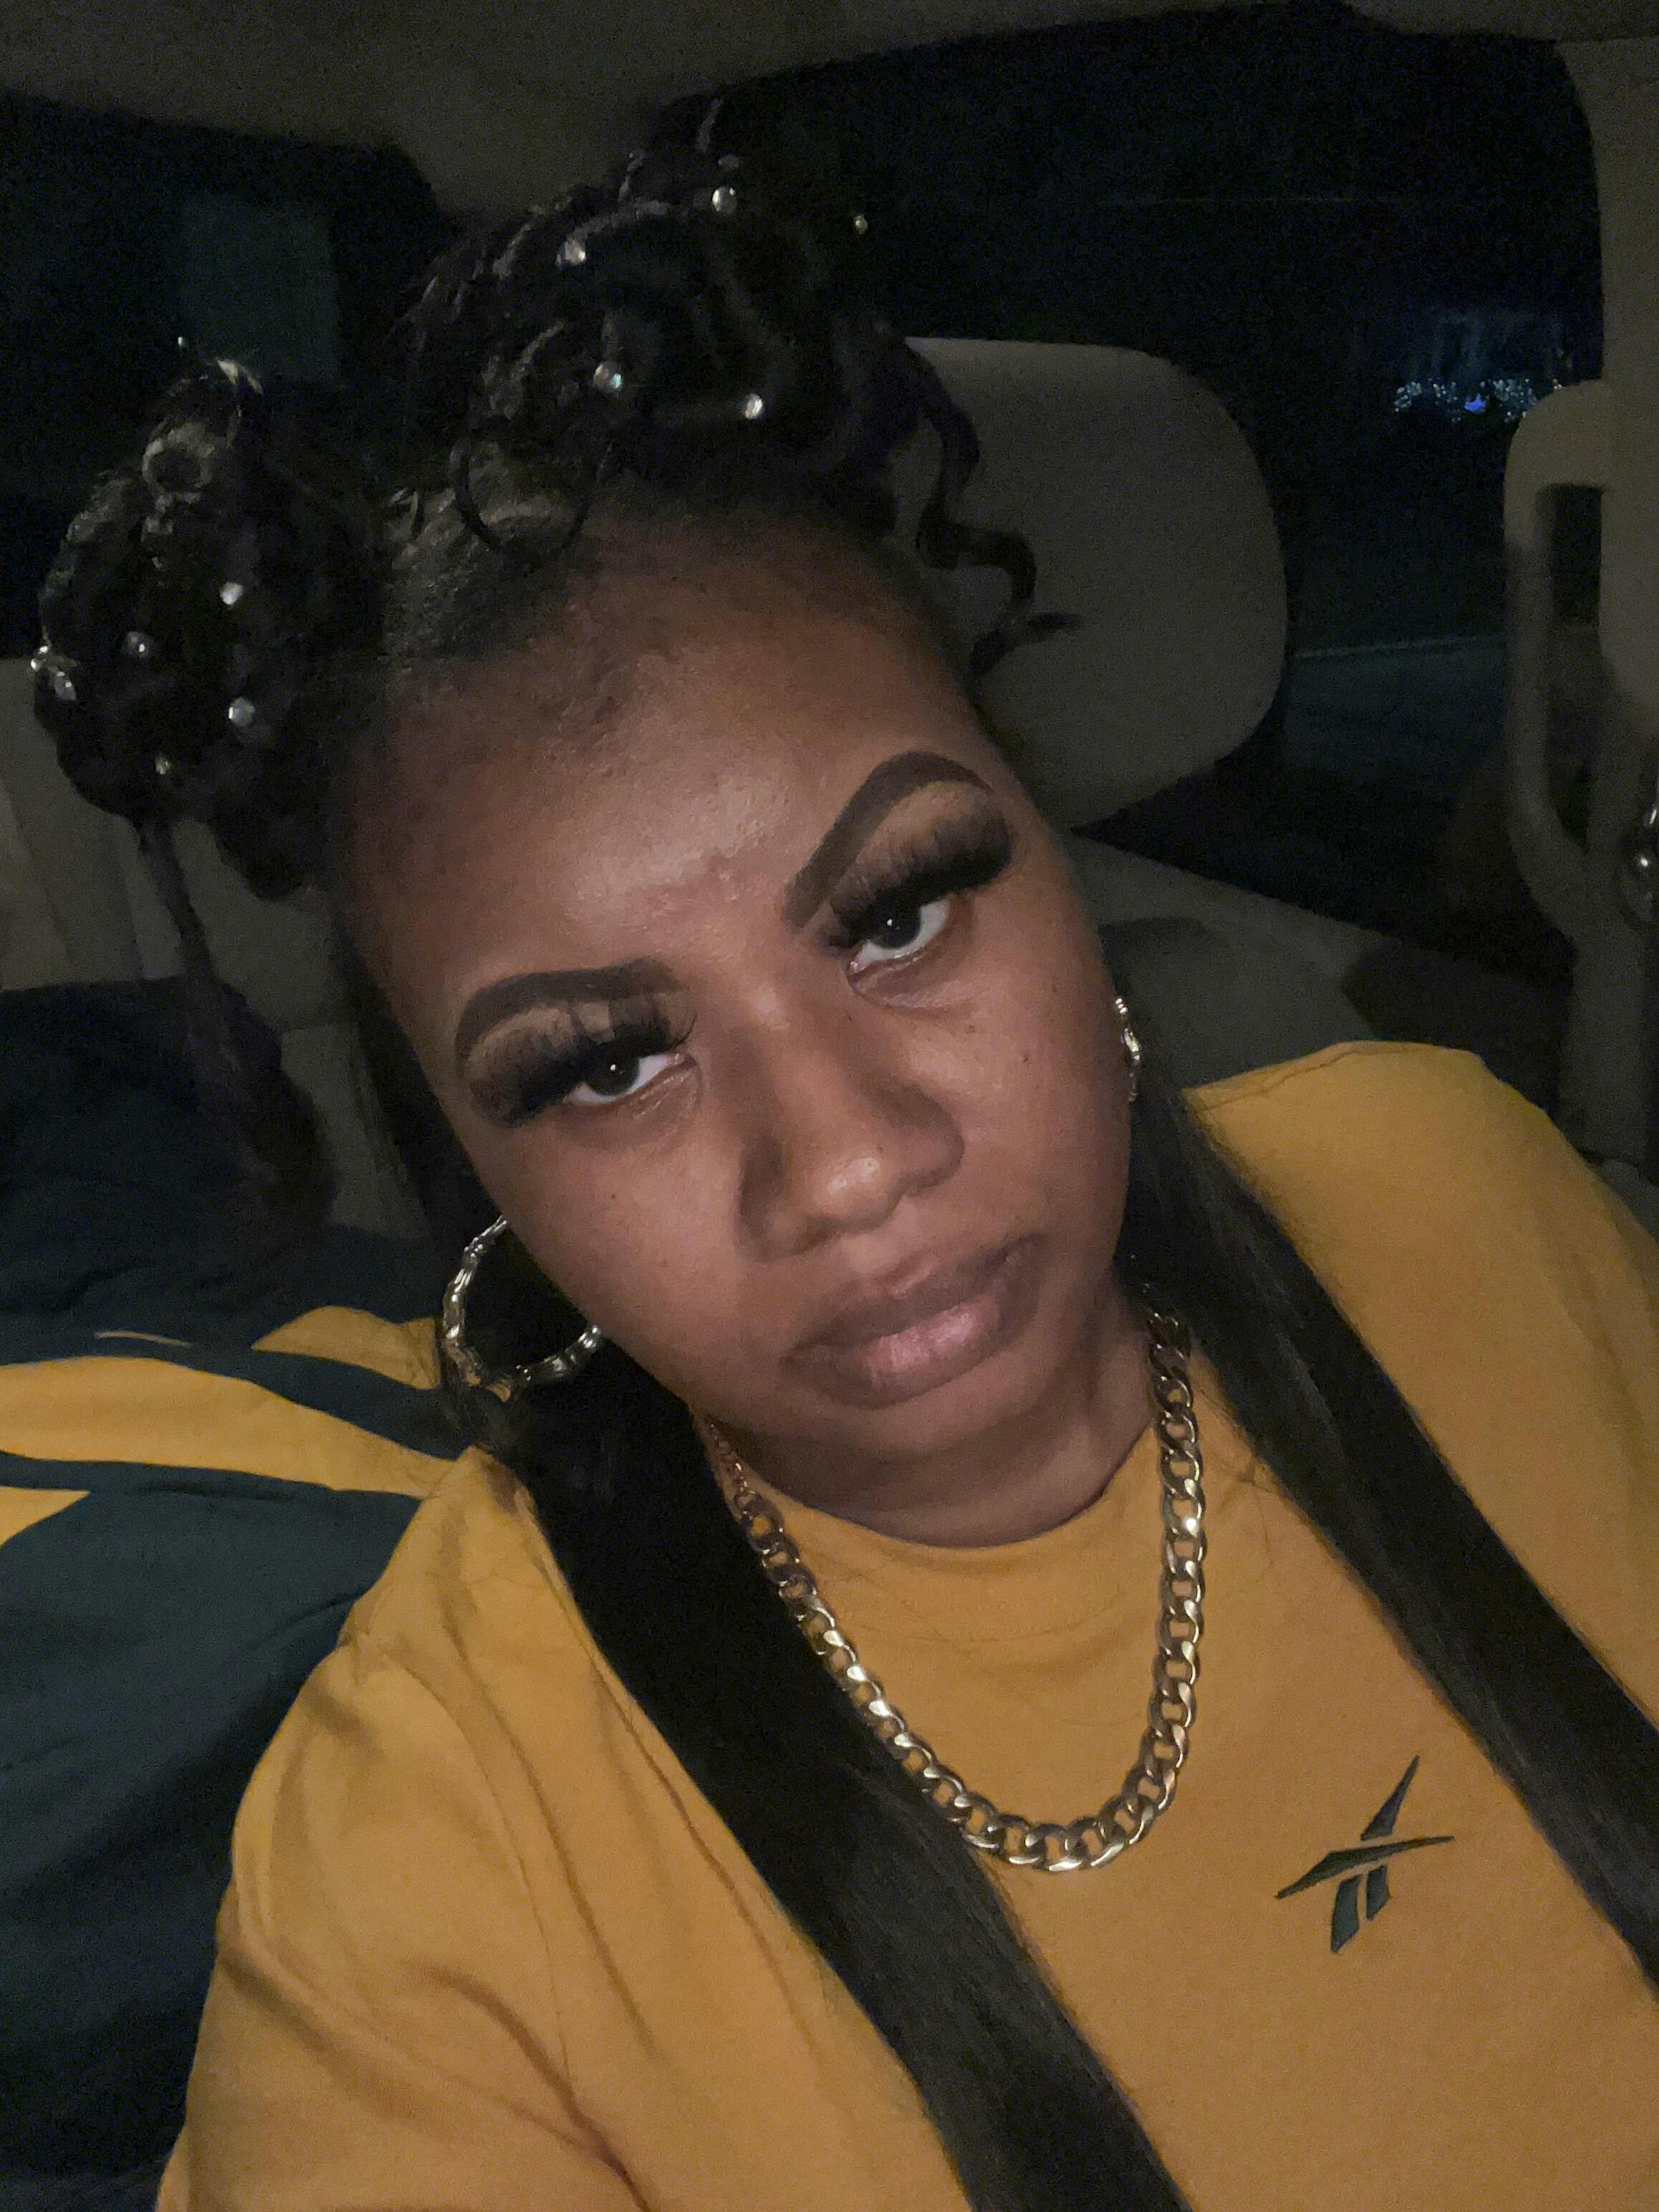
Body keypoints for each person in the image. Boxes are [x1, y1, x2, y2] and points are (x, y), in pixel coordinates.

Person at [32, 136, 1659, 2212]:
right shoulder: (436, 1848)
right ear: (481, 1168)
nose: (850, 1164)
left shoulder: (1458, 1189)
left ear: (1054, 864)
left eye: (898, 911)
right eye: (604, 1064)